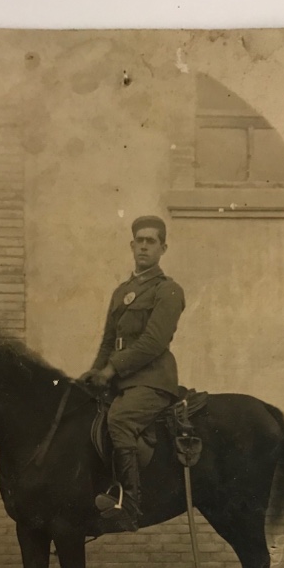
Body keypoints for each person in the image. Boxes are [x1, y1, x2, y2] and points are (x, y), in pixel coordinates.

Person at [80, 215, 186, 531]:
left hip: (152, 381)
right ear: (131, 245)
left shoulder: (168, 290)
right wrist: (95, 372)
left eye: (151, 241)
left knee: (120, 419)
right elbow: (108, 341)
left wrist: (112, 369)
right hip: (120, 381)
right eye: (139, 240)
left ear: (163, 248)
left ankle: (130, 504)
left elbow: (154, 342)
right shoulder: (122, 291)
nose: (144, 246)